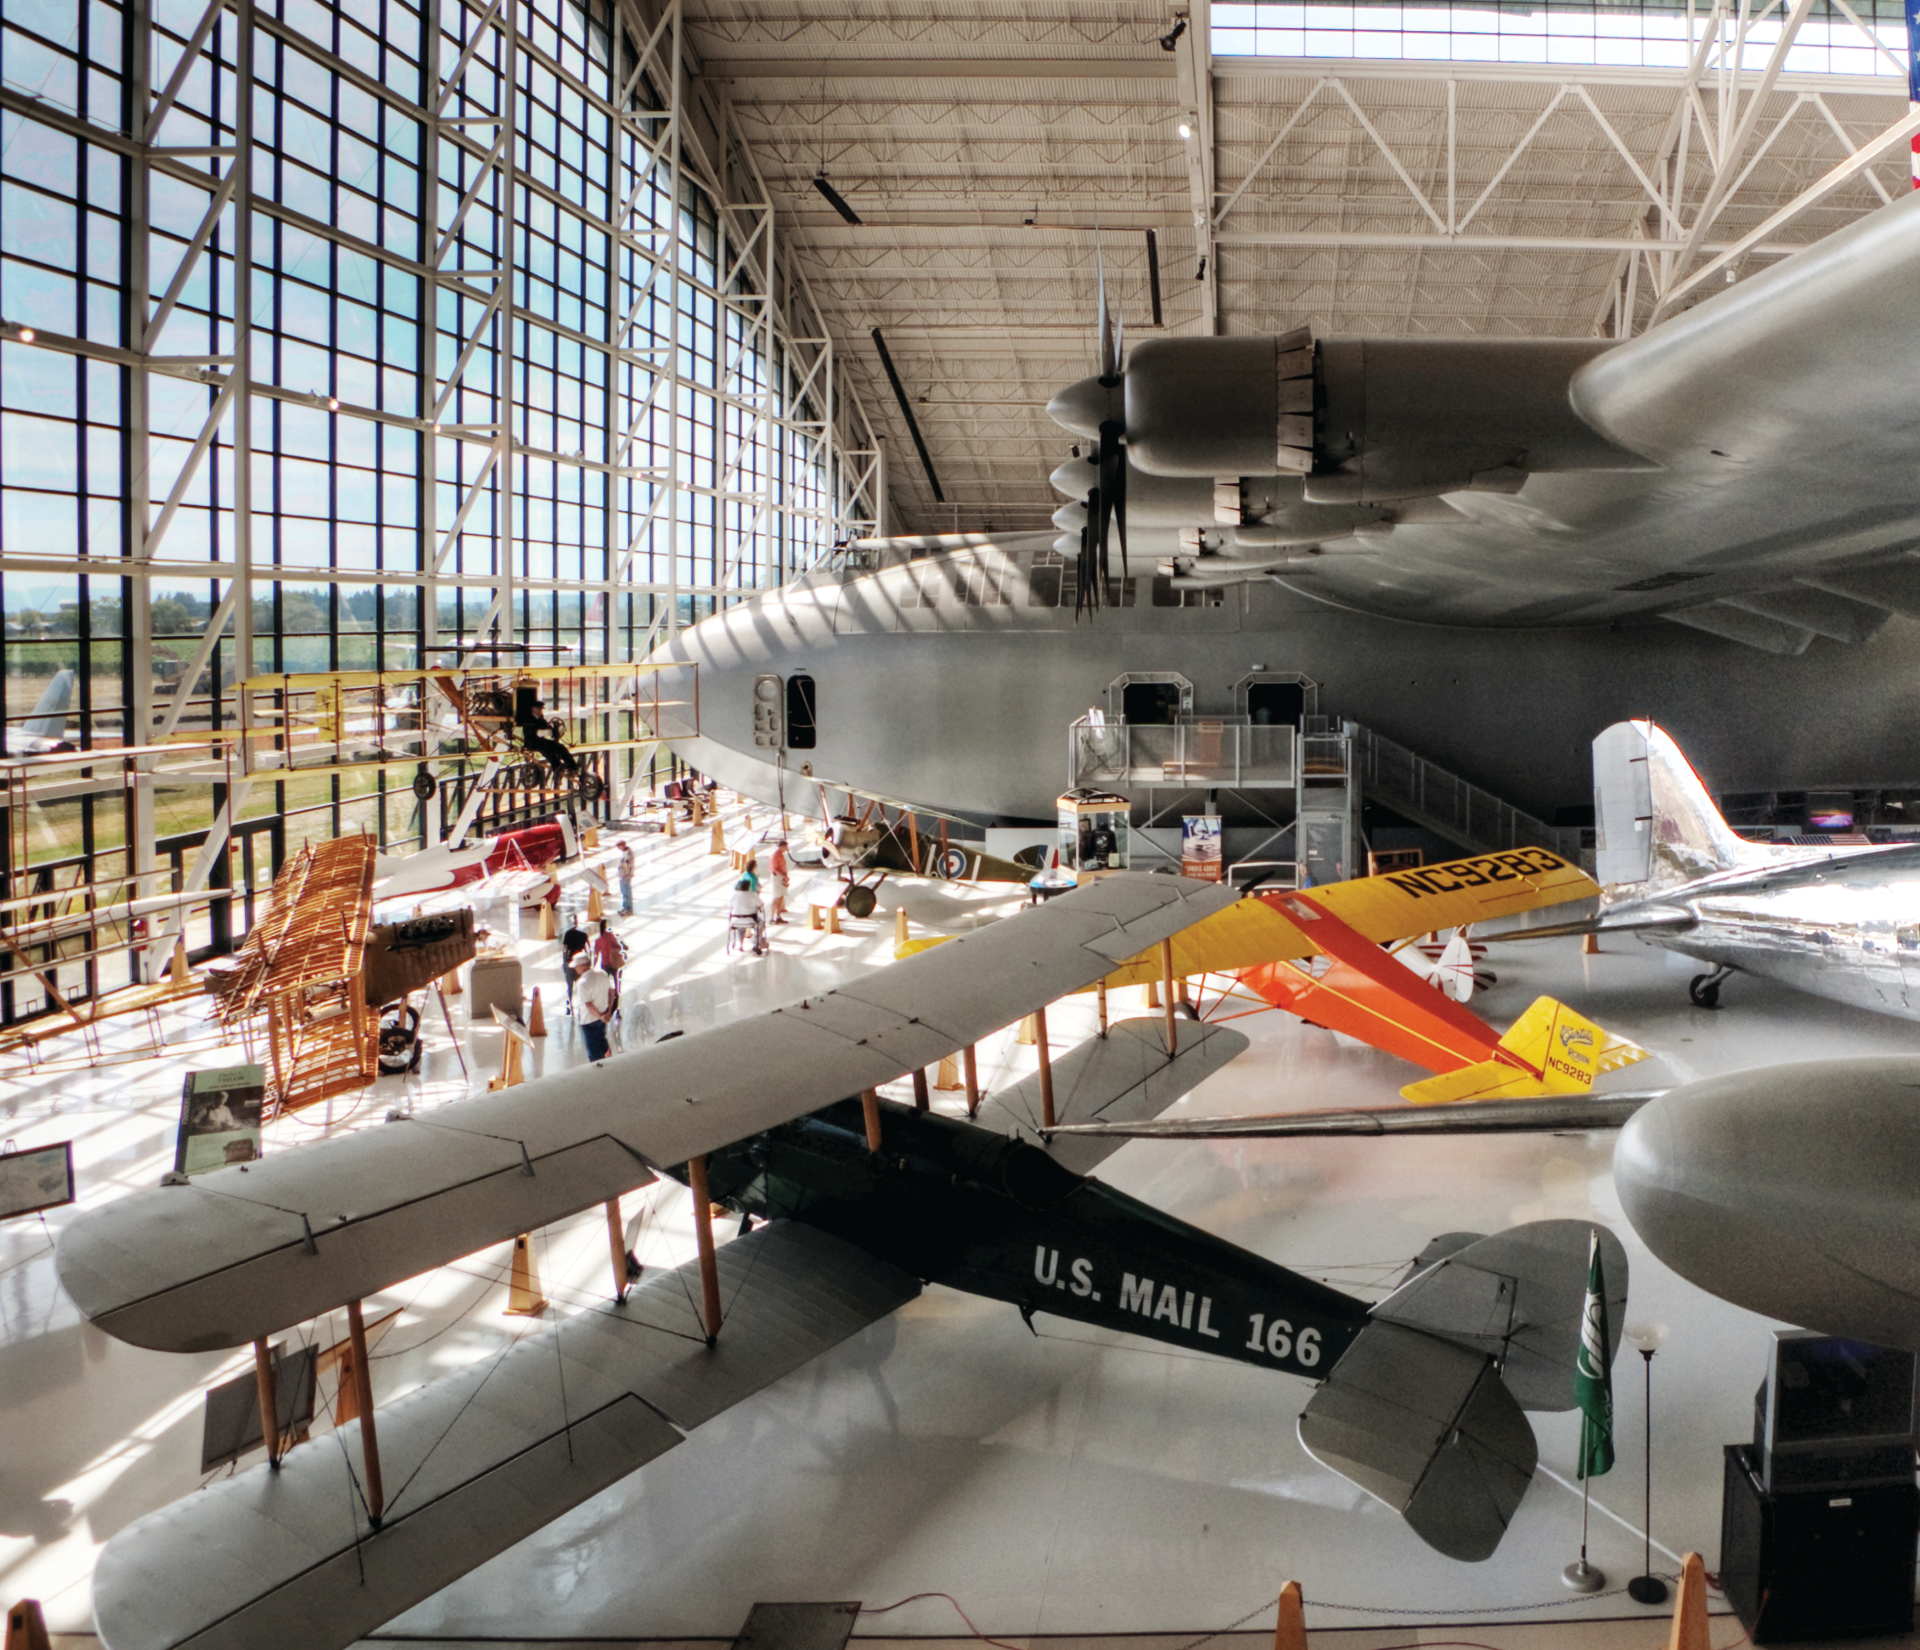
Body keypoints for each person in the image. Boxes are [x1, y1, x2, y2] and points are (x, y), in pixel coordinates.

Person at [572, 950, 614, 1062]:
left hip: (588, 1021)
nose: (575, 968)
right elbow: (611, 992)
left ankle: (599, 1070)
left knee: (594, 1053)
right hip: (603, 1017)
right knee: (603, 1046)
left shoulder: (582, 982)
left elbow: (589, 1005)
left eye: (576, 966)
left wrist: (600, 1016)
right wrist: (608, 1012)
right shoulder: (602, 974)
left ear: (582, 965)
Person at [560, 911, 589, 1014]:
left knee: (570, 985)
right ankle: (582, 1003)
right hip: (580, 962)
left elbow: (565, 949)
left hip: (570, 962)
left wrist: (565, 962)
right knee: (581, 984)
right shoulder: (584, 935)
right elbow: (587, 950)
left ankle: (570, 1003)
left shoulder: (568, 934)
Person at [728, 875, 765, 953]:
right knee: (760, 924)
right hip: (751, 920)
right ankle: (756, 942)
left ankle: (741, 944)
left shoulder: (735, 895)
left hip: (736, 920)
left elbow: (730, 905)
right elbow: (761, 904)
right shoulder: (753, 894)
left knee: (741, 927)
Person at [592, 918, 626, 996]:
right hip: (612, 961)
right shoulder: (610, 936)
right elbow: (618, 946)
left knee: (606, 979)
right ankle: (617, 991)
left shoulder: (598, 941)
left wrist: (593, 966)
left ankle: (607, 993)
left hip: (604, 963)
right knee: (615, 978)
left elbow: (596, 955)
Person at [768, 838, 789, 925]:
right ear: (782, 846)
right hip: (777, 877)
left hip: (781, 877)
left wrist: (785, 876)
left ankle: (778, 916)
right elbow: (775, 869)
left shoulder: (781, 855)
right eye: (786, 847)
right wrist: (783, 875)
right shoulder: (775, 855)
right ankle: (772, 918)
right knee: (776, 898)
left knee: (780, 897)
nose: (787, 849)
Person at [617, 840, 635, 915]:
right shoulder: (626, 852)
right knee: (624, 892)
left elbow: (627, 865)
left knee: (626, 892)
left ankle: (628, 909)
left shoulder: (628, 853)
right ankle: (625, 907)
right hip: (624, 875)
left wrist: (625, 875)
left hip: (626, 875)